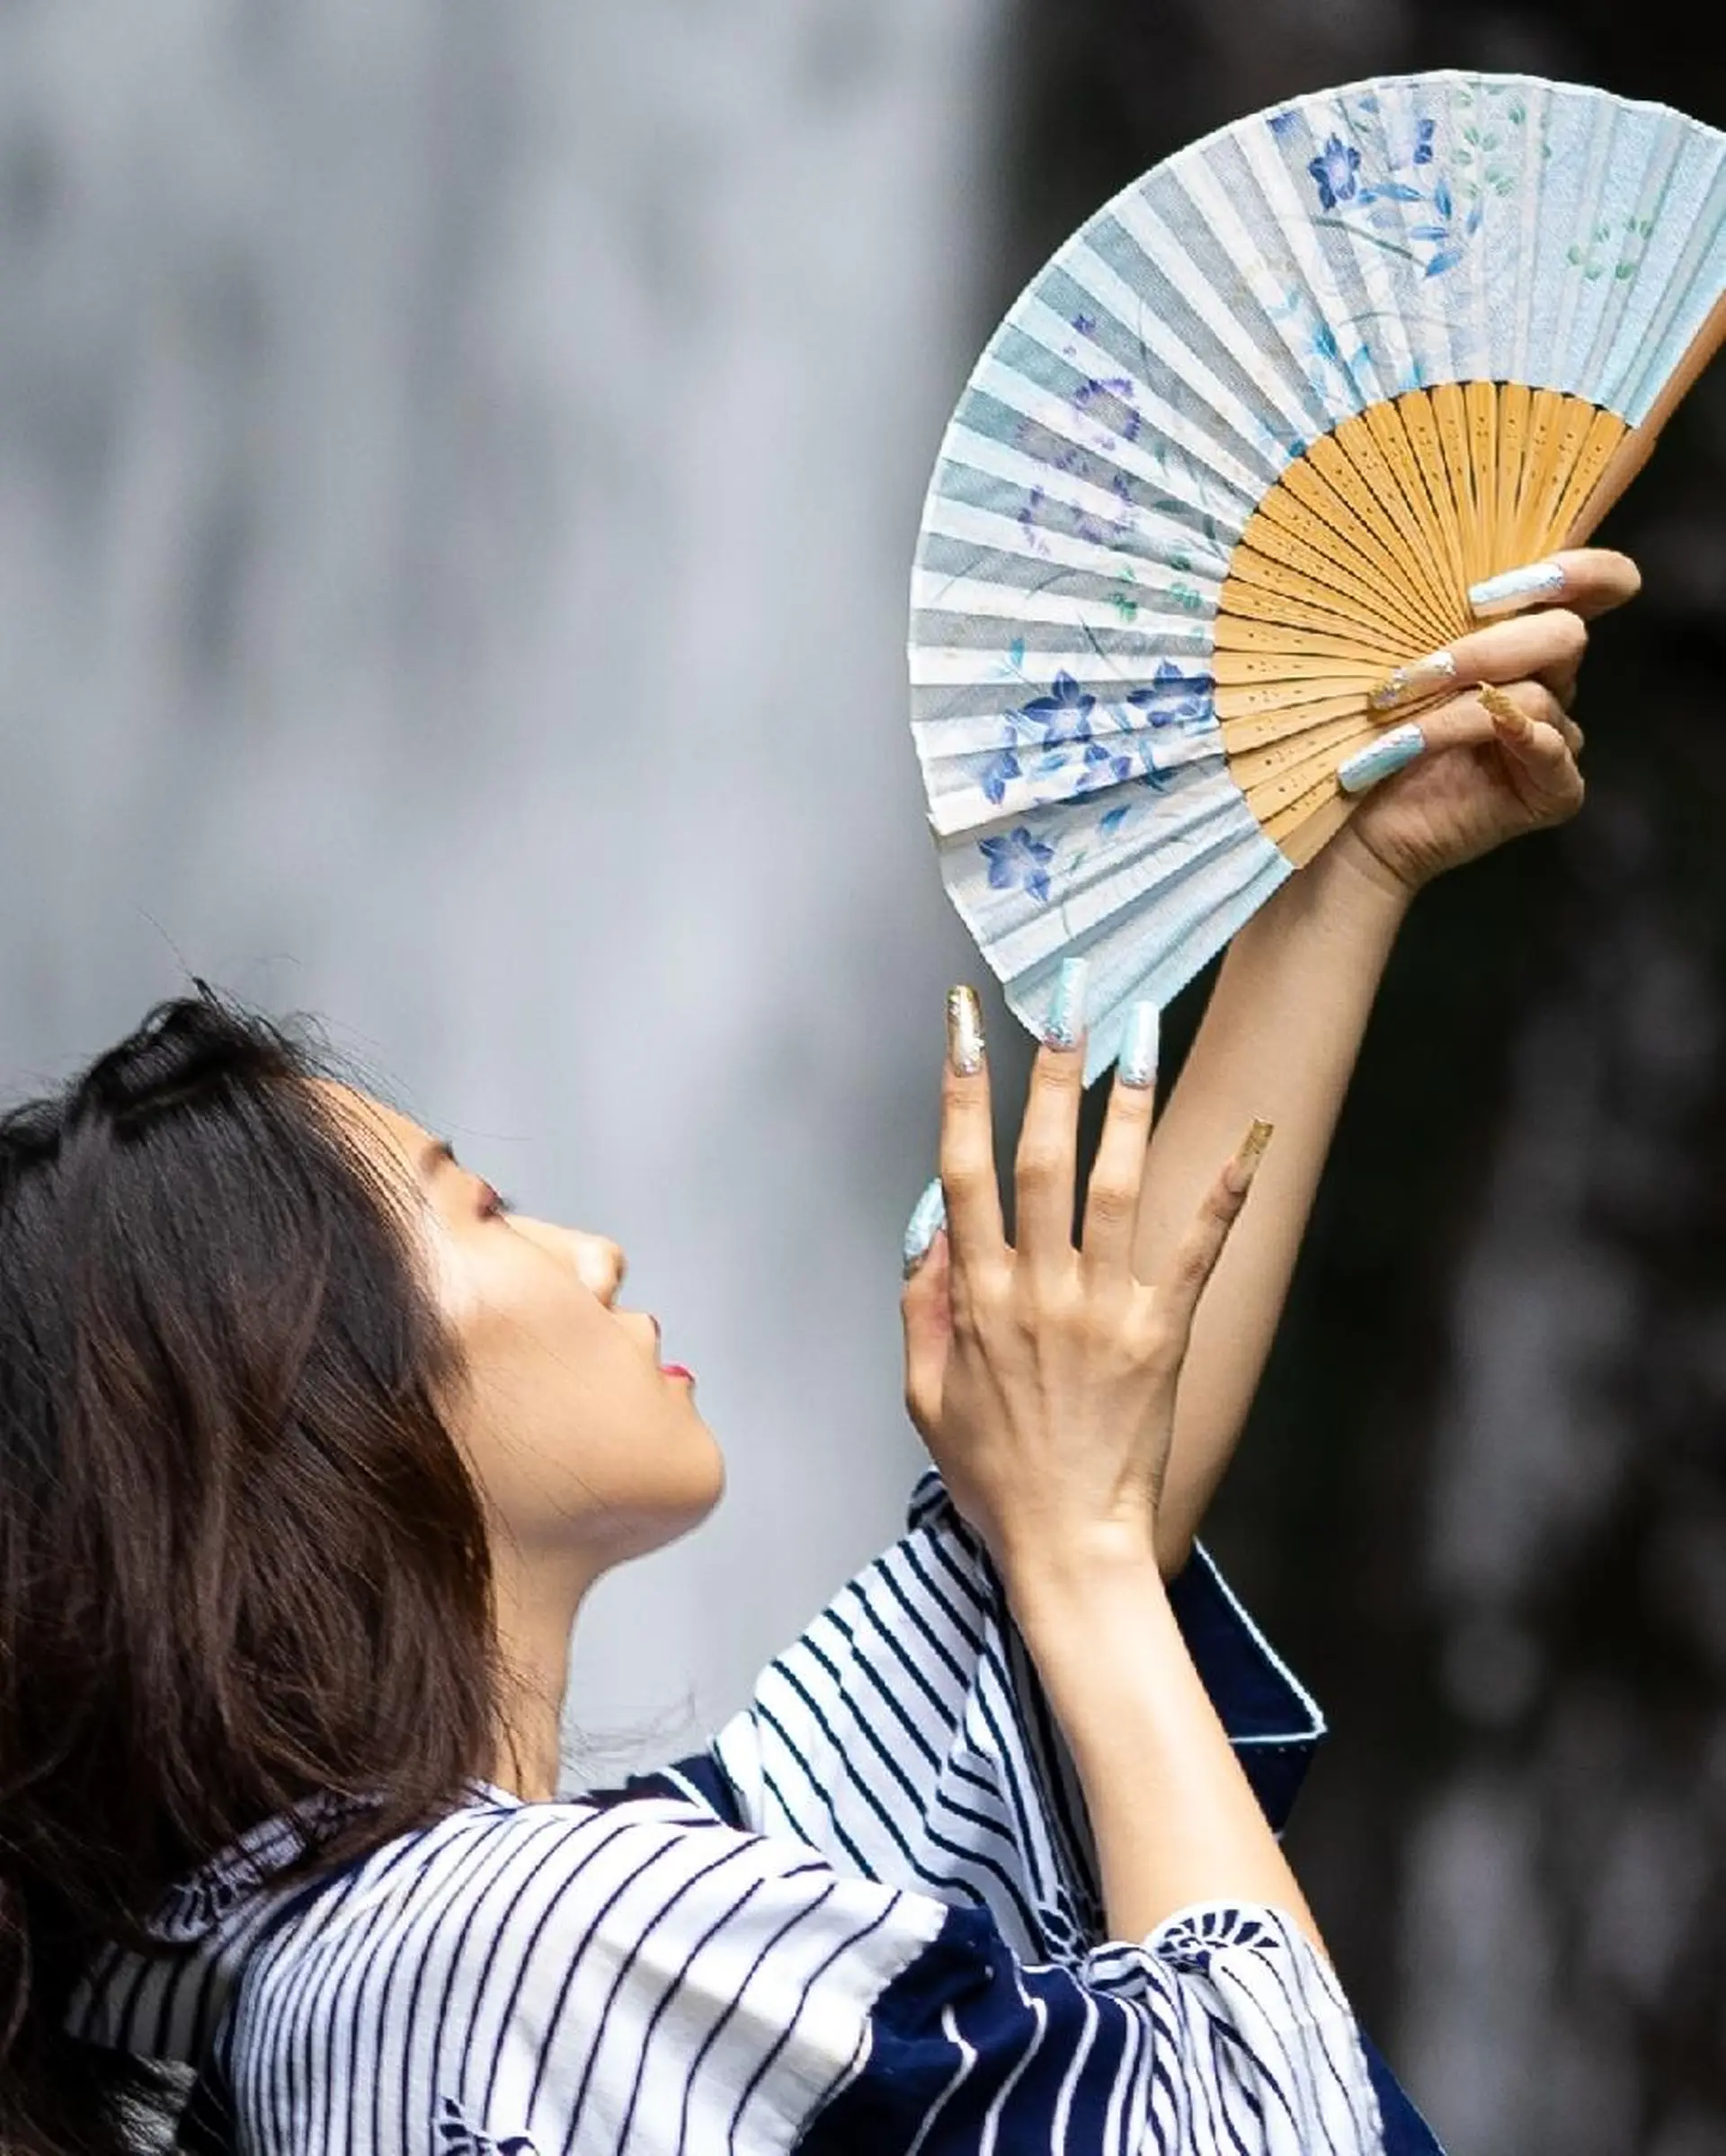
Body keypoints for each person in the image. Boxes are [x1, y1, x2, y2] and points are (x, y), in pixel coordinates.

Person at [0, 553, 1635, 2154]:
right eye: (483, 1209)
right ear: (313, 1401)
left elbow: (1041, 1611)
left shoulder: (371, 1986)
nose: (593, 1250)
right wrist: (1071, 1546)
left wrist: (1348, 864)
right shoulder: (506, 1955)